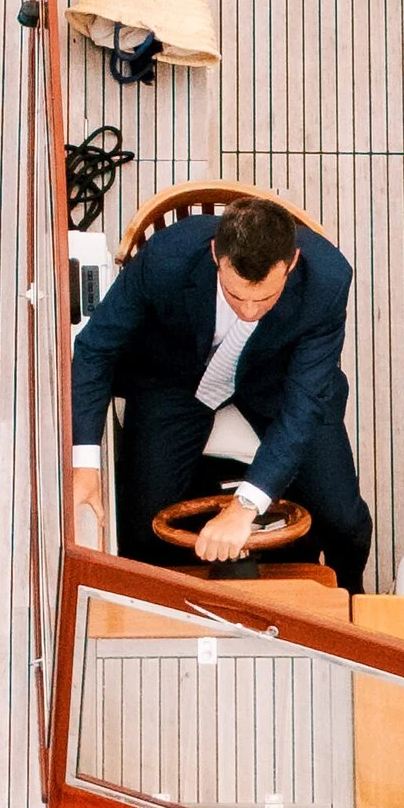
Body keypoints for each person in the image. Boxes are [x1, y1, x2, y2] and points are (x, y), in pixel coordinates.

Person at [67, 197, 372, 588]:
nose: (248, 311)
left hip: (278, 381)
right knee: (140, 530)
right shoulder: (165, 257)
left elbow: (303, 401)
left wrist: (246, 506)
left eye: (264, 299)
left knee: (346, 521)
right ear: (216, 255)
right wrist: (85, 463)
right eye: (235, 295)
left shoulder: (328, 280)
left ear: (291, 263)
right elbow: (96, 348)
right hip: (175, 377)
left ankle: (350, 598)